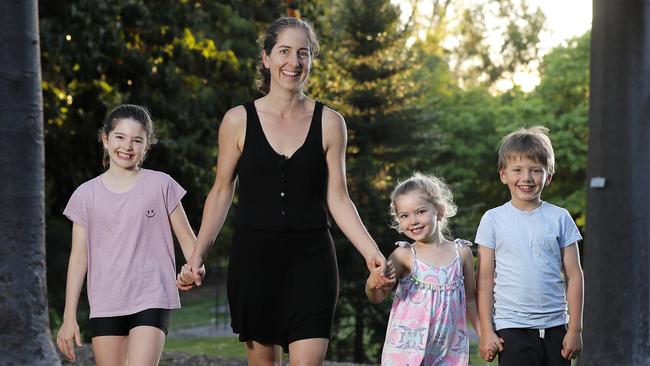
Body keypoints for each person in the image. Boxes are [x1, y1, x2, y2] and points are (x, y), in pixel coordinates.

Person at [178, 17, 387, 365]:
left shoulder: (331, 123)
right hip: (254, 262)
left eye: (303, 53)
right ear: (266, 58)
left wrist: (371, 253)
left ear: (311, 60)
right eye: (285, 51)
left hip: (312, 261)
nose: (294, 62)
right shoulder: (237, 120)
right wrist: (197, 256)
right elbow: (220, 192)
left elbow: (338, 197)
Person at [56, 104, 199, 365]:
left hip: (152, 296)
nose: (127, 146)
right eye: (120, 137)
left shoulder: (162, 185)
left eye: (137, 140)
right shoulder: (85, 195)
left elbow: (191, 246)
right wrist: (68, 317)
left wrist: (193, 270)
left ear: (148, 146)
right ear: (105, 139)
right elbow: (78, 260)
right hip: (106, 300)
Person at [475, 126, 584, 365]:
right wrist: (486, 330)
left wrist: (575, 329)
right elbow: (484, 280)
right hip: (511, 328)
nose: (526, 178)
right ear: (503, 174)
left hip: (556, 326)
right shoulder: (492, 220)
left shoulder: (560, 217)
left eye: (536, 170)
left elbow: (574, 276)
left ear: (549, 176)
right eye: (517, 170)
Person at [366, 173, 489, 365]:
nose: (413, 220)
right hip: (405, 352)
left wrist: (484, 335)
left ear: (439, 211)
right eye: (404, 215)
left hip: (448, 352)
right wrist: (373, 283)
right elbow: (377, 296)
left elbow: (470, 300)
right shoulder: (403, 255)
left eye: (420, 211)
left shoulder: (461, 253)